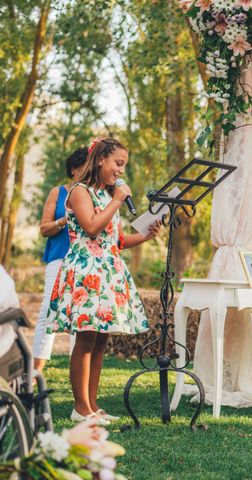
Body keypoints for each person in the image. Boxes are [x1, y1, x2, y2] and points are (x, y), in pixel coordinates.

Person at [46, 137, 161, 424]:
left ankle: (93, 406)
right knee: (85, 340)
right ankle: (80, 408)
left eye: (124, 166)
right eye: (118, 164)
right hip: (86, 272)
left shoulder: (108, 196)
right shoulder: (79, 191)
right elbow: (92, 227)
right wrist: (118, 199)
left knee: (99, 342)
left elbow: (115, 240)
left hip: (108, 271)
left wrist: (145, 235)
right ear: (100, 160)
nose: (121, 171)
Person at [32, 147, 88, 373]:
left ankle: (76, 372)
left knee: (81, 316)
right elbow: (44, 229)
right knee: (49, 311)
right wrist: (64, 220)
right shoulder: (58, 193)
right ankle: (36, 370)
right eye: (85, 168)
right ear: (74, 169)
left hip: (85, 262)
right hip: (58, 259)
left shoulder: (93, 195)